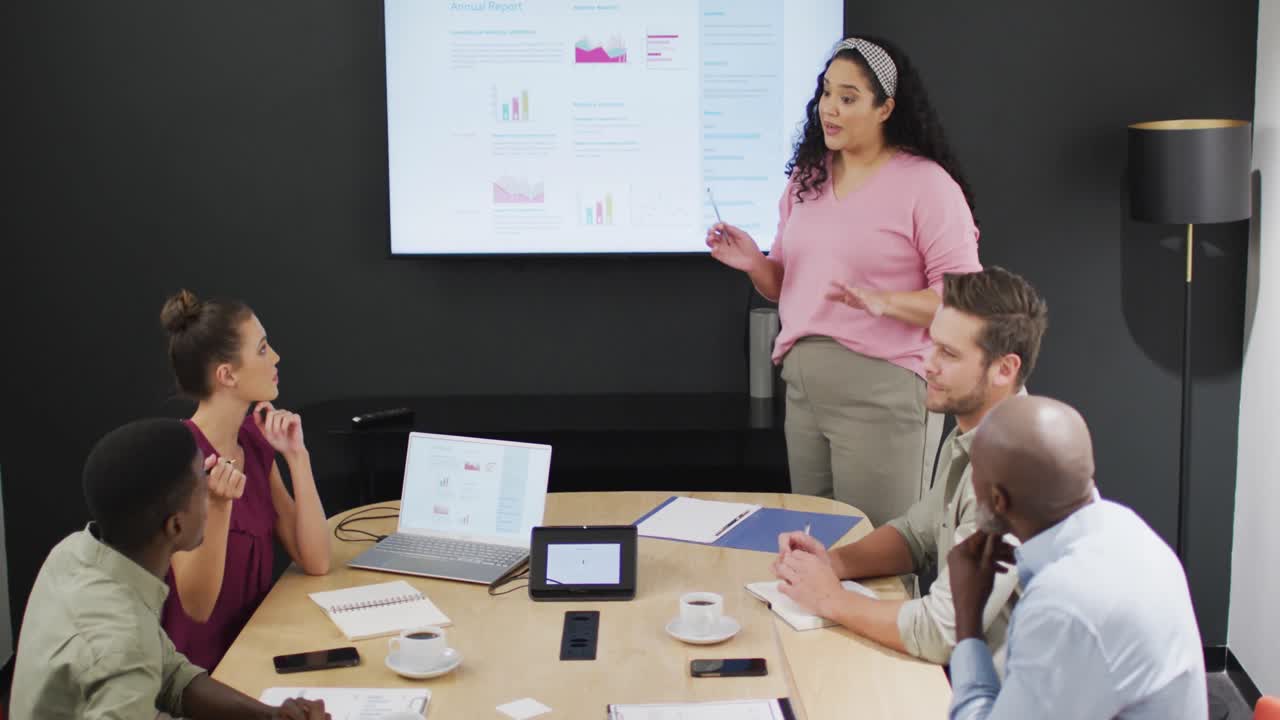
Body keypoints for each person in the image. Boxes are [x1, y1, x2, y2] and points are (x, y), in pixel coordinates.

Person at [706, 35, 982, 525]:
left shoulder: (928, 185)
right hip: (805, 390)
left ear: (885, 109)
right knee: (821, 543)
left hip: (885, 390)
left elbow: (964, 300)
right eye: (826, 93)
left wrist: (886, 302)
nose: (829, 109)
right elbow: (785, 284)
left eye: (848, 98)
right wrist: (755, 263)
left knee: (880, 545)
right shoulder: (807, 179)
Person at [772, 267, 1046, 667]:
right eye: (933, 345)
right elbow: (916, 534)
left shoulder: (1015, 472)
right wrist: (833, 563)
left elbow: (944, 631)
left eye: (948, 354)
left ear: (1004, 369)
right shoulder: (979, 432)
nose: (927, 363)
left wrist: (831, 599)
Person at [10, 419, 329, 719]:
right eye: (201, 482)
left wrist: (270, 715)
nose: (211, 487)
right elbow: (132, 658)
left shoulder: (74, 552)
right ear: (176, 525)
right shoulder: (120, 647)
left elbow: (172, 674)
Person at [947, 396, 1207, 719]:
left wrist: (967, 620)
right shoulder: (1125, 526)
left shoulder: (1066, 606)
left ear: (998, 499)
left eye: (976, 475)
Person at [158, 289, 331, 670]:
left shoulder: (252, 444)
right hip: (201, 680)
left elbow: (315, 559)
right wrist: (217, 506)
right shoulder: (181, 458)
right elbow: (197, 608)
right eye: (263, 349)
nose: (277, 357)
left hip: (256, 653)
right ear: (227, 375)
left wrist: (297, 457)